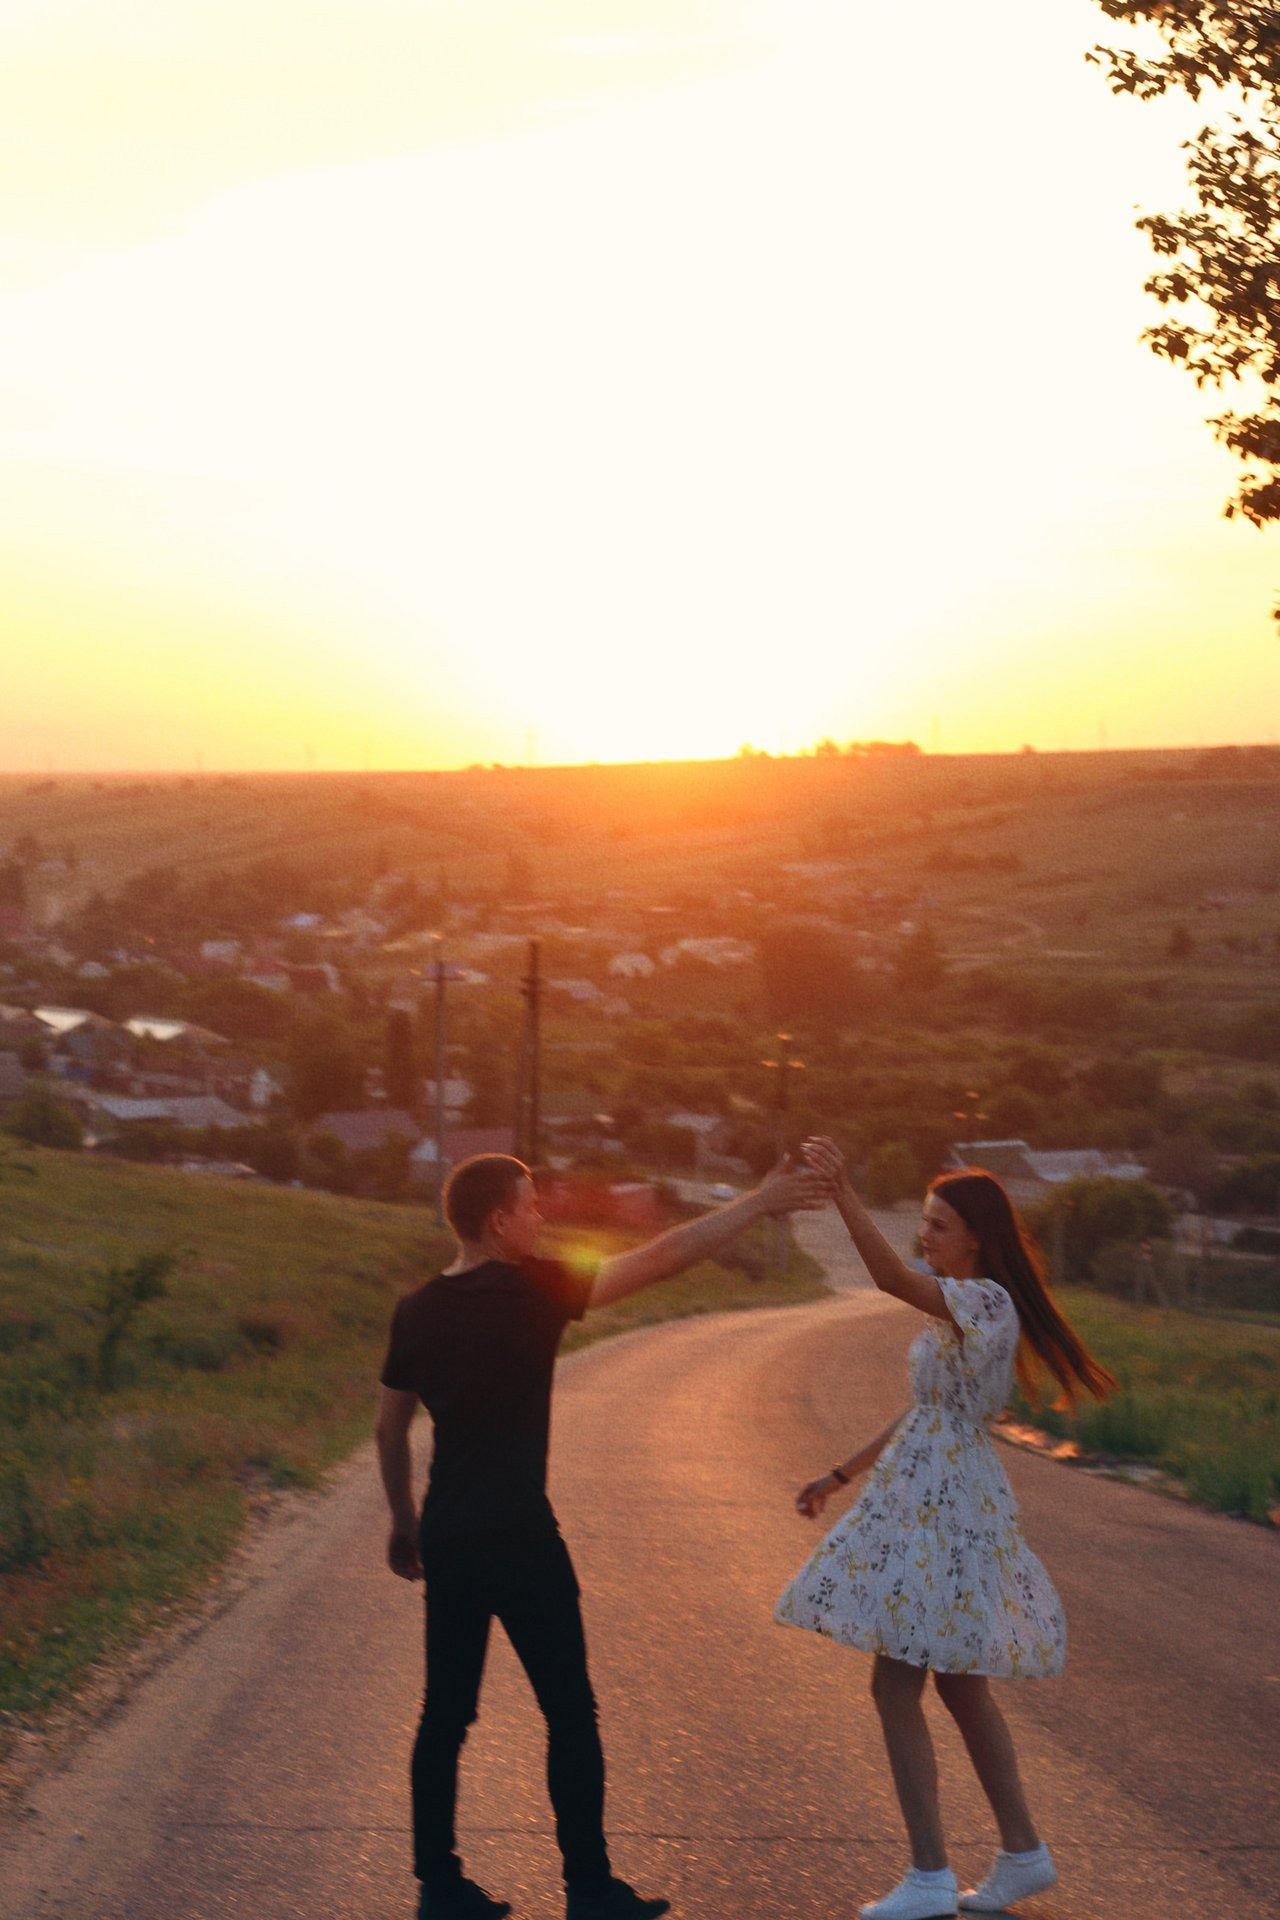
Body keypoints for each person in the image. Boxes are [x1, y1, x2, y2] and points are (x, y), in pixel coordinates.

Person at [377, 1150, 823, 1920]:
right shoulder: (534, 1291)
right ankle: (588, 1889)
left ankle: (439, 1888)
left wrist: (404, 1521)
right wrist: (758, 1201)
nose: (542, 1216)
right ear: (497, 1220)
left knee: (445, 1714)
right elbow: (663, 1256)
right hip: (520, 1534)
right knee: (569, 1711)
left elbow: (389, 1429)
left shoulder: (415, 1309)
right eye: (531, 1206)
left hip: (450, 1531)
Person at [776, 1142, 1116, 1920]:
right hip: (926, 1493)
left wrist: (842, 1193)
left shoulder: (987, 1302)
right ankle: (1023, 1853)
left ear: (976, 1236)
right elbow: (922, 1409)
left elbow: (889, 1279)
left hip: (948, 1507)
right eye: (925, 1222)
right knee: (960, 1684)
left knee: (895, 1679)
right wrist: (839, 1473)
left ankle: (929, 1874)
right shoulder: (964, 1305)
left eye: (938, 1224)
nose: (924, 1236)